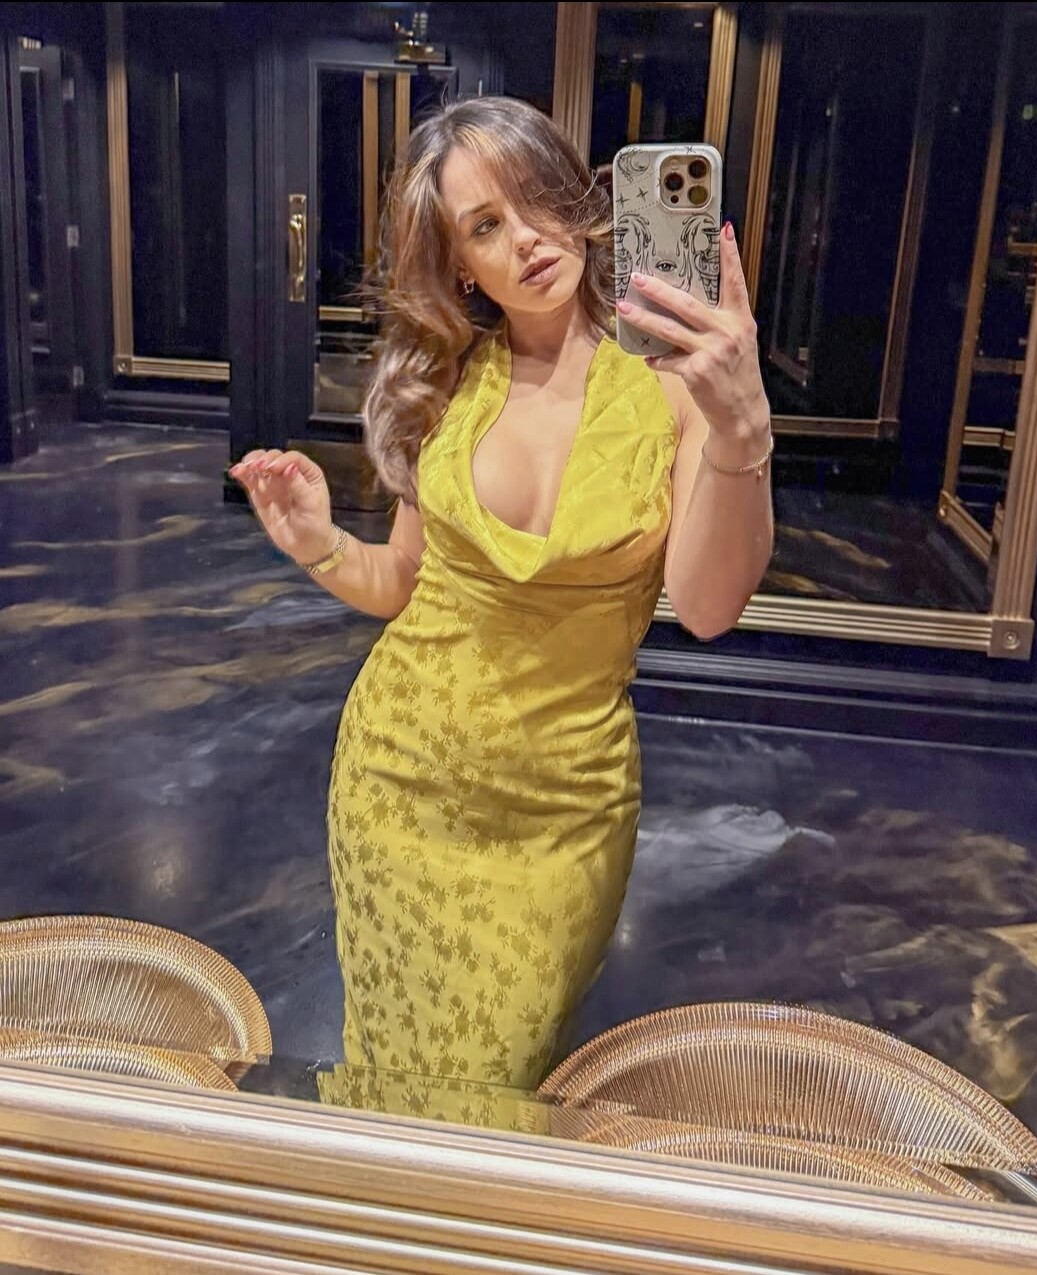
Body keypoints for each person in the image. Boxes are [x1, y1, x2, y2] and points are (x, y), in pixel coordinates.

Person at [229, 97, 774, 1108]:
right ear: (459, 265)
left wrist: (741, 429)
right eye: (484, 225)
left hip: (559, 817)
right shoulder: (445, 379)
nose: (524, 238)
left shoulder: (669, 383)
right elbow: (402, 585)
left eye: (535, 200)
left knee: (497, 1085)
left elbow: (705, 606)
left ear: (579, 203)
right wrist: (320, 546)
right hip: (397, 786)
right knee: (391, 1078)